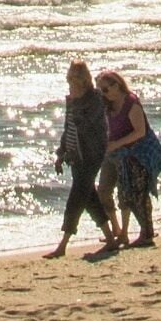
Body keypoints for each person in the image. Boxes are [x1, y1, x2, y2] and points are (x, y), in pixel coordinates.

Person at [48, 60, 120, 257]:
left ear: (83, 80)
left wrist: (77, 106)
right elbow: (68, 128)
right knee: (90, 197)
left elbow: (90, 126)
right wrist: (61, 154)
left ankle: (63, 245)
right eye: (69, 79)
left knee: (76, 197)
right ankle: (111, 239)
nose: (71, 84)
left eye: (74, 80)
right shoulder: (71, 100)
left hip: (91, 155)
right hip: (74, 155)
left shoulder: (94, 99)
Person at [97, 68, 161, 249]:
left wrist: (117, 143)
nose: (103, 94)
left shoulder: (131, 102)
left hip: (137, 152)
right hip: (113, 151)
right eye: (100, 91)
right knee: (103, 190)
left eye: (105, 89)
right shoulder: (106, 105)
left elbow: (140, 132)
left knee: (132, 193)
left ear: (117, 85)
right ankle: (117, 230)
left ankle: (141, 233)